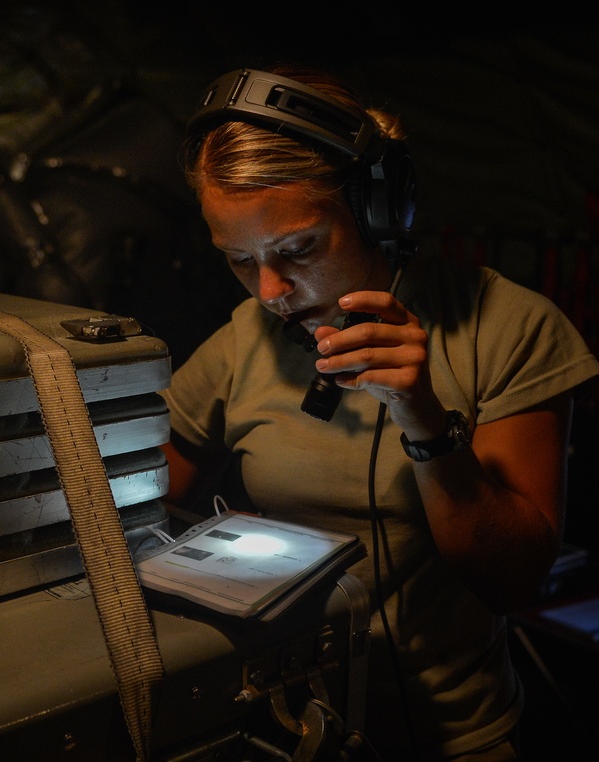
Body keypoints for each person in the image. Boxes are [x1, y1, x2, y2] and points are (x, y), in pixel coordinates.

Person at [159, 64, 599, 761]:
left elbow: (512, 580)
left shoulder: (511, 326)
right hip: (282, 734)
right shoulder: (245, 338)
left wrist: (424, 420)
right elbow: (140, 507)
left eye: (299, 249)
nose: (271, 291)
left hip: (451, 741)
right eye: (240, 260)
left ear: (377, 210)